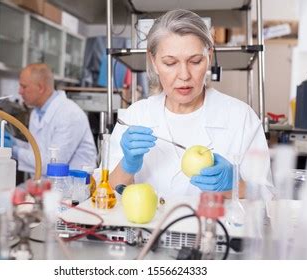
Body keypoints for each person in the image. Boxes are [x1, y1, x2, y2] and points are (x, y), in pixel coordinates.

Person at [108, 9, 273, 199]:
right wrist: (127, 165)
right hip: (146, 230)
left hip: (218, 229)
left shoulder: (241, 117)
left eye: (195, 61)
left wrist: (236, 185)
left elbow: (268, 198)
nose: (184, 75)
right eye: (170, 63)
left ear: (209, 57)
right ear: (153, 61)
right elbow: (105, 195)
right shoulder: (136, 116)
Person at [0, 63, 97, 174]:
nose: (19, 91)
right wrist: (11, 141)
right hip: (46, 185)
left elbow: (53, 165)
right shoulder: (37, 112)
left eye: (24, 86)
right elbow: (37, 151)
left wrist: (13, 149)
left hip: (73, 188)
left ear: (41, 88)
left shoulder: (69, 114)